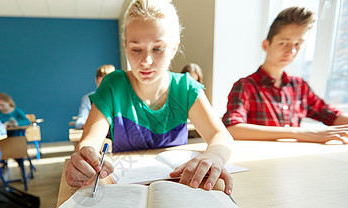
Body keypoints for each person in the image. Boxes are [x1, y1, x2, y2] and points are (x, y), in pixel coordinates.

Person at [65, 0, 234, 194]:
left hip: (179, 190)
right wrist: (84, 158)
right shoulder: (113, 85)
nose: (146, 61)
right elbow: (89, 142)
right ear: (125, 45)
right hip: (125, 191)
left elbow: (221, 136)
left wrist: (214, 156)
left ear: (173, 47)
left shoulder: (186, 87)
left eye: (158, 48)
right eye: (136, 49)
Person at [222, 6, 348, 144]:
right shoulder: (245, 86)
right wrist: (298, 133)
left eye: (298, 44)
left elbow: (330, 114)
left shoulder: (300, 86)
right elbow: (232, 128)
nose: (291, 51)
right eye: (283, 43)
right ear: (266, 45)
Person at [75, 64, 116, 129]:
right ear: (96, 80)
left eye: (106, 86)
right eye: (101, 84)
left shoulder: (120, 99)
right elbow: (80, 122)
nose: (103, 89)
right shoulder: (88, 99)